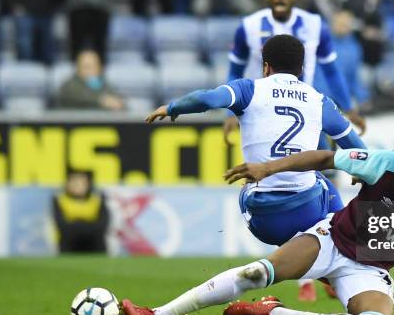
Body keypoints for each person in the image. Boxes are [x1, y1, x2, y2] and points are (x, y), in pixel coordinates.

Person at [120, 127, 394, 315]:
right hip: (329, 241)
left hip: (369, 272)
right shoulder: (388, 164)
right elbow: (325, 158)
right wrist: (268, 167)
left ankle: (273, 313)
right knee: (256, 273)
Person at [145, 34, 365, 295]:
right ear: (302, 69)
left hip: (264, 219)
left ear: (265, 67)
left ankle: (329, 265)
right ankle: (341, 260)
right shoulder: (319, 101)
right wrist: (361, 170)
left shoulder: (248, 89)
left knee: (250, 186)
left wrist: (172, 107)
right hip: (308, 210)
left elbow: (206, 99)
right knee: (323, 183)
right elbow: (355, 145)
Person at [223, 0, 366, 146]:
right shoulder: (248, 26)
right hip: (261, 114)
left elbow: (331, 72)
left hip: (303, 112)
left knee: (325, 165)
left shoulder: (315, 26)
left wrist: (349, 108)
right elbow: (235, 71)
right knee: (261, 170)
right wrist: (230, 113)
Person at [53, 170, 110, 253]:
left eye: (81, 183)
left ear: (88, 184)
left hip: (93, 241)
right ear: (67, 184)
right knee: (66, 238)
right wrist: (86, 225)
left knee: (99, 239)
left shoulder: (97, 199)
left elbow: (102, 224)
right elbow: (62, 225)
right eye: (74, 183)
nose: (77, 186)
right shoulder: (60, 200)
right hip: (70, 241)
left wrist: (80, 226)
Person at [57, 49, 125, 110]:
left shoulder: (102, 83)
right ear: (78, 68)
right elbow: (82, 97)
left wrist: (118, 102)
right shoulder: (69, 85)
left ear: (100, 68)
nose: (90, 71)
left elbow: (115, 98)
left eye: (93, 66)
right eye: (86, 67)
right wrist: (103, 100)